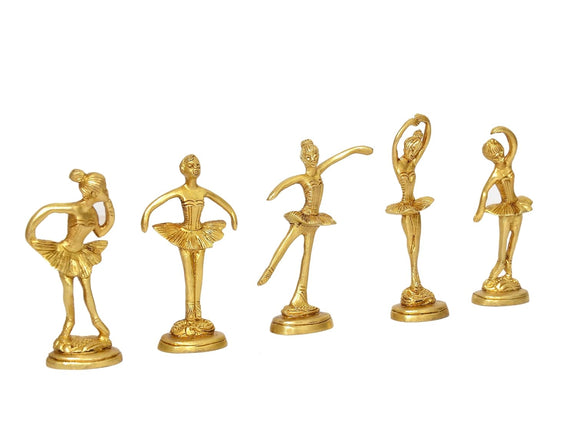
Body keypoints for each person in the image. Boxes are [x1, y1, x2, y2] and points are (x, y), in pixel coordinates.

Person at [258, 139, 372, 318]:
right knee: (286, 244)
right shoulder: (302, 178)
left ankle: (300, 297)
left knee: (307, 256)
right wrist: (275, 192)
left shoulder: (319, 171)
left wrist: (357, 149)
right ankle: (269, 270)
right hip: (303, 218)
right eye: (309, 157)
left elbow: (338, 157)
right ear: (303, 159)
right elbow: (286, 183)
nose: (313, 159)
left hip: (315, 220)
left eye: (315, 155)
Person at [141, 154, 237, 336]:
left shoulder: (203, 191)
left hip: (200, 235)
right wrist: (146, 216)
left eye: (198, 165)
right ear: (183, 169)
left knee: (198, 274)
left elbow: (224, 204)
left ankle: (197, 315)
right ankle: (189, 315)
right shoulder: (181, 191)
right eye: (191, 165)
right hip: (185, 236)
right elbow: (157, 202)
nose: (196, 168)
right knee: (188, 275)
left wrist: (233, 216)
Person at [25, 169, 115, 352]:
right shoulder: (75, 208)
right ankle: (68, 326)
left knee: (88, 290)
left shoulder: (93, 213)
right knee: (69, 291)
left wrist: (109, 205)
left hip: (81, 254)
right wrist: (31, 236)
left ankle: (98, 323)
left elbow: (101, 232)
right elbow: (48, 209)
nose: (107, 191)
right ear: (93, 193)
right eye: (104, 189)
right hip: (65, 254)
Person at [473, 127, 532, 290]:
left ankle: (509, 272)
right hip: (505, 210)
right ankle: (497, 268)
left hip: (517, 207)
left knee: (513, 241)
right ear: (490, 158)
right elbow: (485, 191)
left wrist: (504, 131)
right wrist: (480, 211)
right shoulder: (496, 173)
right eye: (495, 155)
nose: (499, 156)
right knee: (503, 242)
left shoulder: (508, 162)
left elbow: (514, 145)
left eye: (500, 152)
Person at [386, 114, 435, 307]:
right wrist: (408, 124)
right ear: (406, 147)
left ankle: (417, 280)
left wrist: (426, 122)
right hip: (405, 206)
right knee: (410, 242)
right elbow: (394, 144)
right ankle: (414, 277)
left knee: (418, 242)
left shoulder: (413, 162)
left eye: (415, 151)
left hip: (416, 206)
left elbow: (426, 141)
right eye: (411, 150)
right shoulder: (398, 164)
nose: (414, 153)